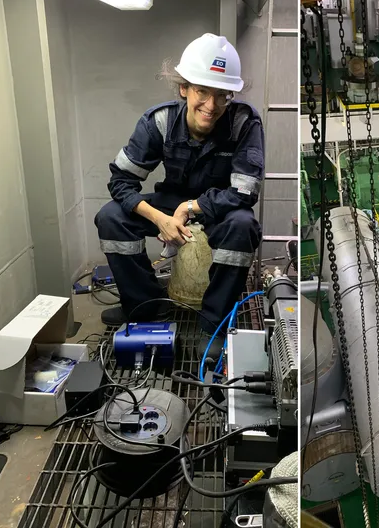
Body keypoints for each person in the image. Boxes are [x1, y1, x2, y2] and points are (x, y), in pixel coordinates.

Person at [94, 33, 265, 354]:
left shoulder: (244, 123)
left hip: (221, 207)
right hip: (170, 201)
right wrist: (159, 219)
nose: (211, 106)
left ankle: (214, 325)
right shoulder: (159, 122)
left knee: (243, 226)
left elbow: (245, 190)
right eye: (202, 91)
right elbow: (120, 181)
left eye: (221, 95)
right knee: (111, 217)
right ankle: (143, 307)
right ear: (184, 88)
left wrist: (192, 207)